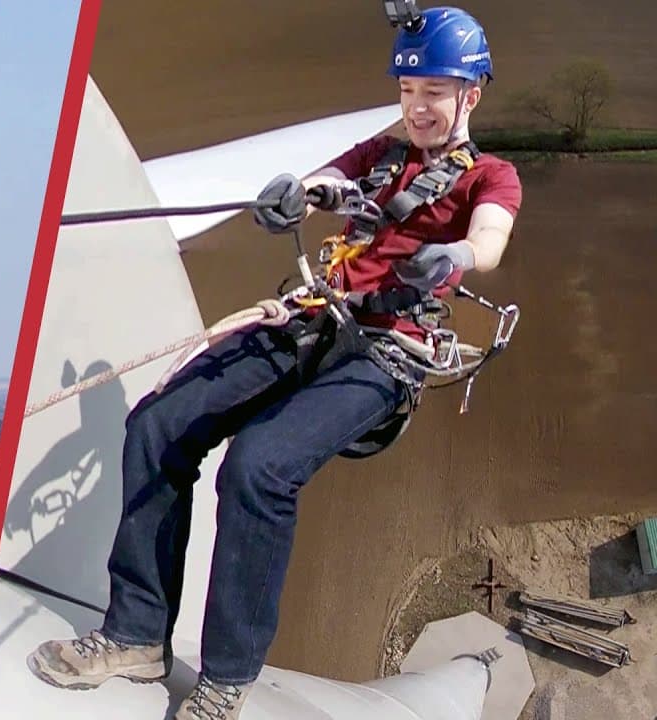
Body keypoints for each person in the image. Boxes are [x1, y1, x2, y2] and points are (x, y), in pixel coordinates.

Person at [26, 8, 521, 719]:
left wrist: (460, 255)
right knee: (158, 426)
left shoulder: (490, 176)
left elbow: (493, 234)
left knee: (259, 467)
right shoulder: (381, 154)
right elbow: (328, 179)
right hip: (315, 318)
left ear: (471, 95)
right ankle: (135, 634)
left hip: (387, 350)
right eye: (408, 90)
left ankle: (227, 677)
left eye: (435, 93)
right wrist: (296, 191)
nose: (417, 106)